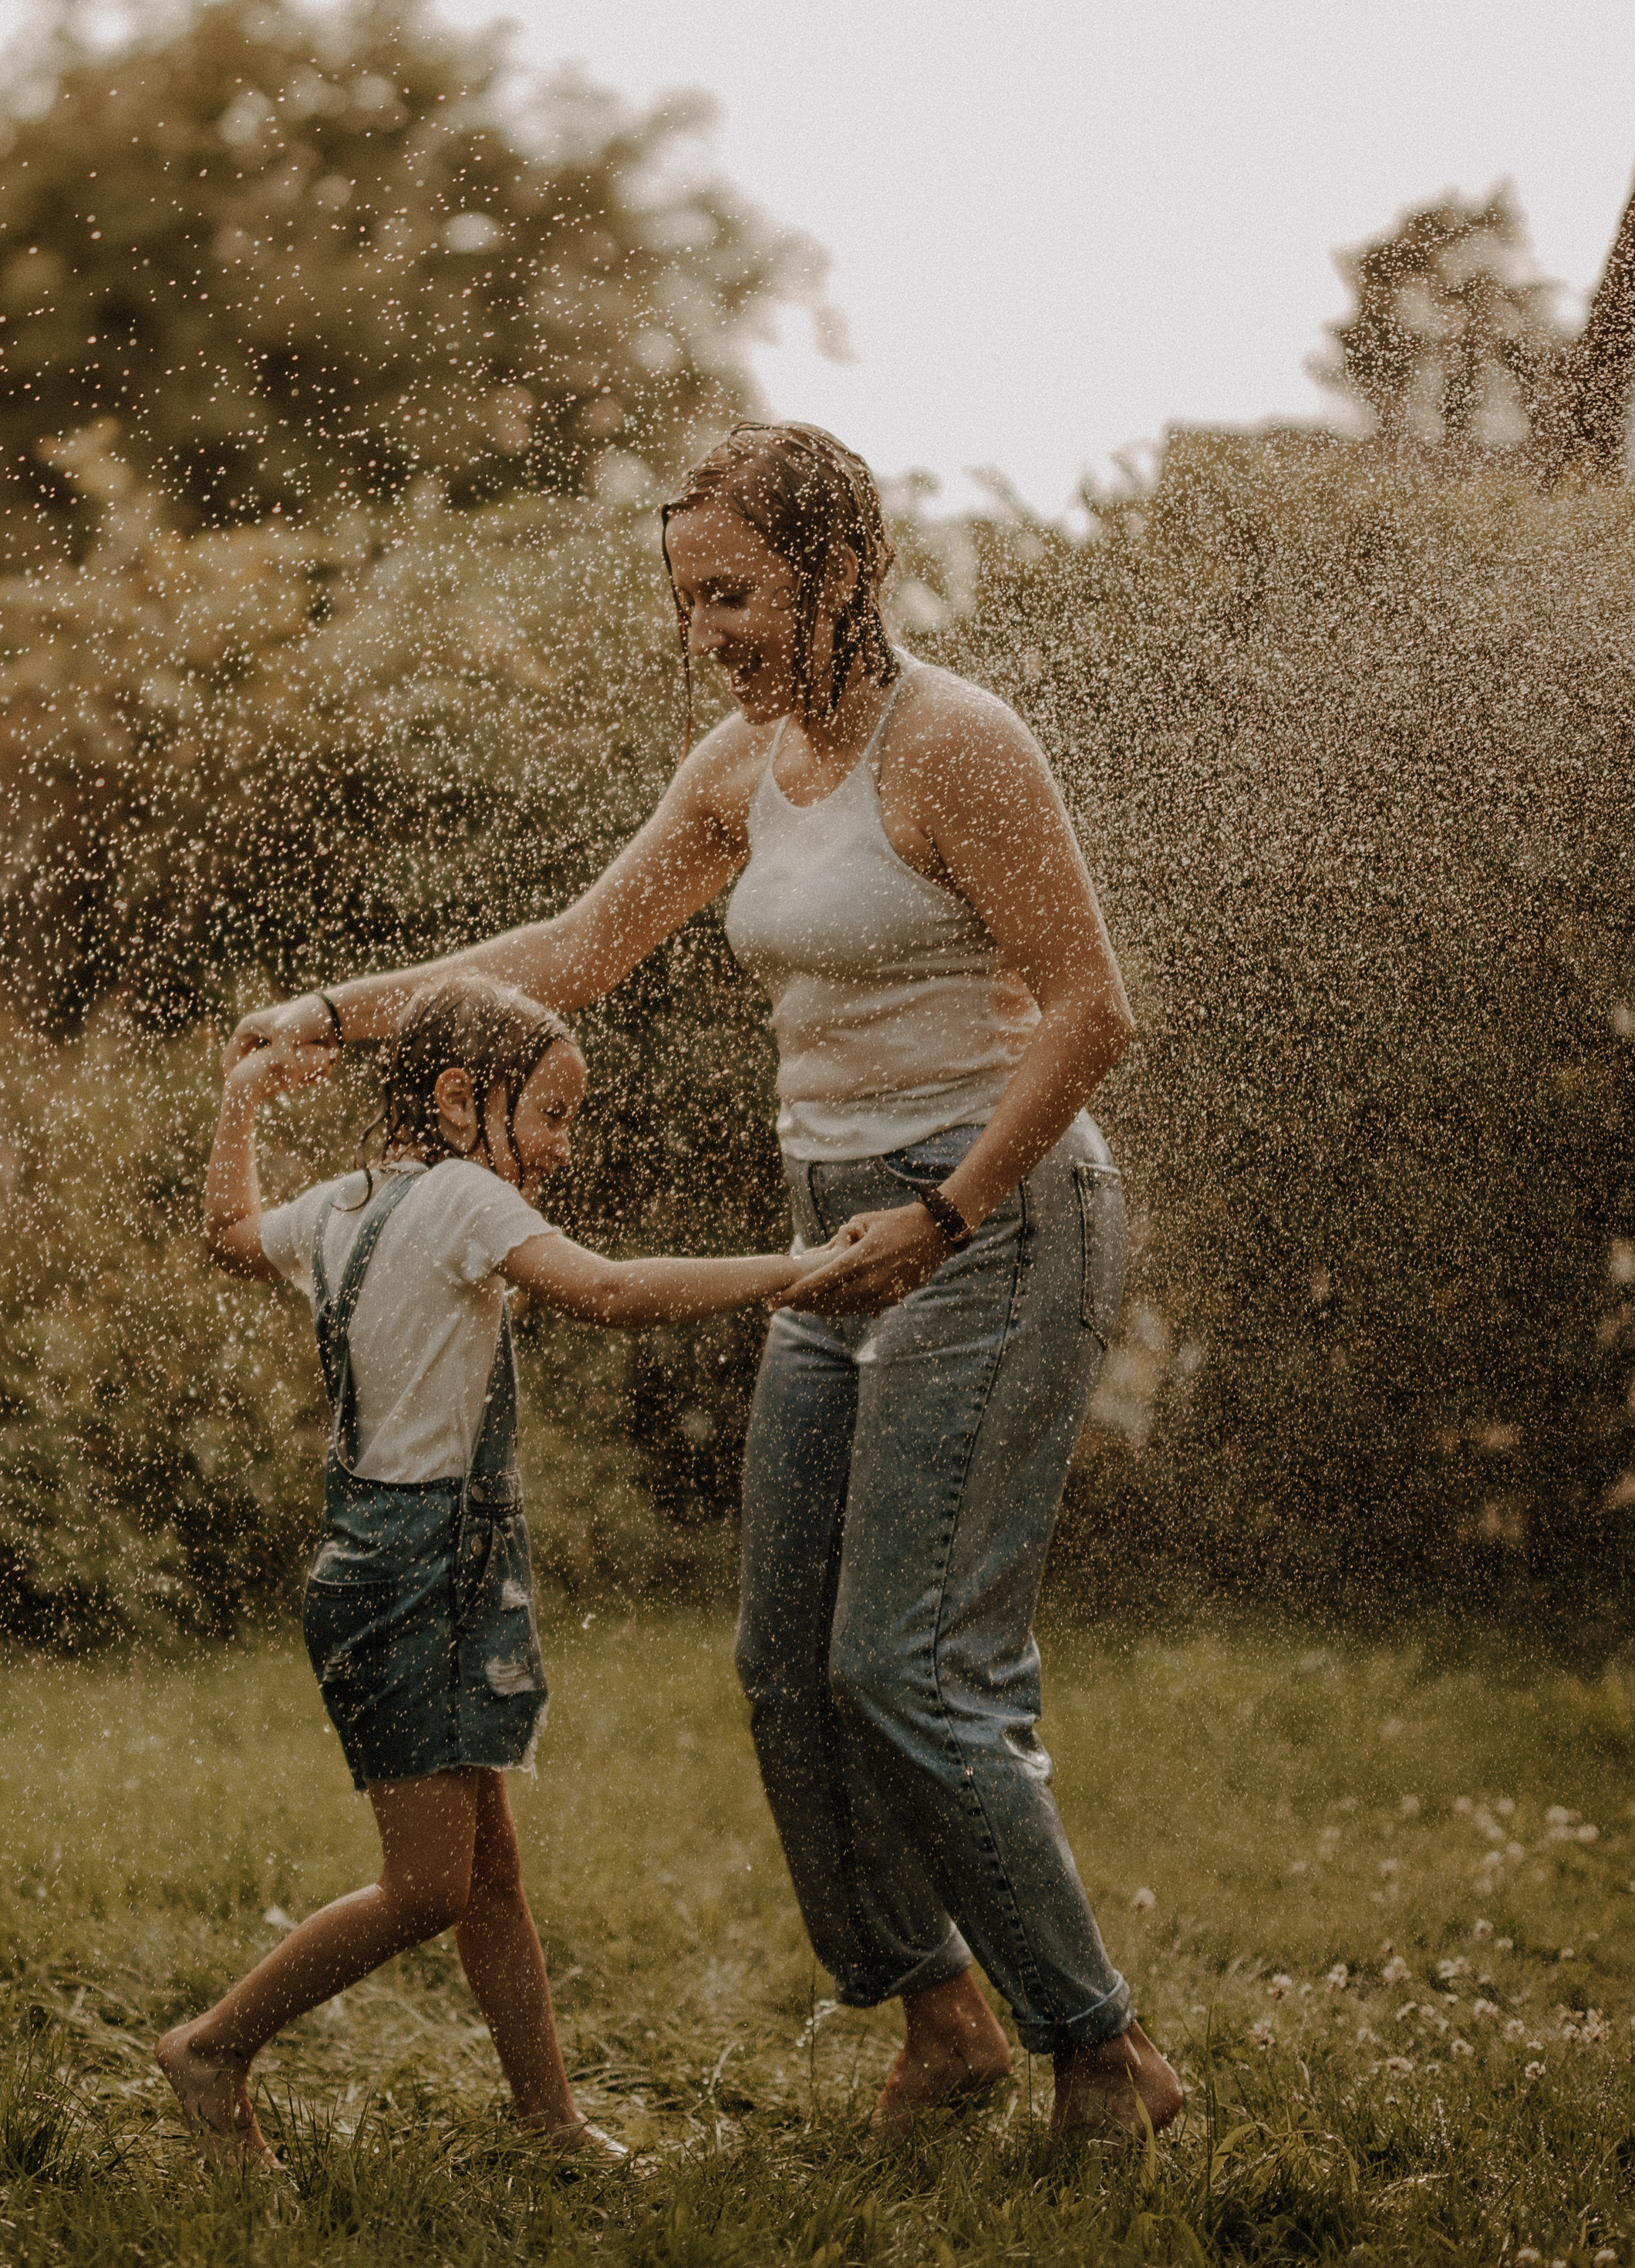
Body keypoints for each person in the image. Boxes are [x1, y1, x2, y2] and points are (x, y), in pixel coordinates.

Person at [231, 421, 1183, 2145]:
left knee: (902, 1661)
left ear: (840, 568)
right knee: (777, 1662)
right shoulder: (739, 767)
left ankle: (1096, 2047)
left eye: (733, 593)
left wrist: (950, 1213)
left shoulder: (955, 746)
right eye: (686, 601)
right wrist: (337, 1010)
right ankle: (938, 2019)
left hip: (998, 1214)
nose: (707, 634)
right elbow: (575, 953)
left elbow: (1089, 1008)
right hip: (837, 1227)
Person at [157, 970, 804, 2169]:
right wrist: (791, 1272)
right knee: (426, 1889)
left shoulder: (348, 1206)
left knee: (490, 1871)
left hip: (406, 1567)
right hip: (411, 1575)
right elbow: (608, 1293)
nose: (560, 1146)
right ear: (460, 1100)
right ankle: (213, 2048)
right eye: (550, 1113)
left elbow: (231, 1237)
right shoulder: (461, 1199)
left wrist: (242, 1100)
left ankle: (549, 2125)